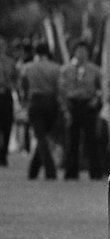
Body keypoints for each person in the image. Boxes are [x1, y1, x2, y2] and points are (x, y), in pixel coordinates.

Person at [59, 40, 102, 179]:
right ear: (74, 52)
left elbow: (101, 88)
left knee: (92, 140)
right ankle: (71, 172)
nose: (81, 54)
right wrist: (65, 107)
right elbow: (61, 90)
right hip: (73, 106)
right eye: (79, 51)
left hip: (88, 105)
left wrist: (96, 99)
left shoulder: (94, 70)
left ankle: (95, 172)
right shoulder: (66, 69)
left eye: (84, 51)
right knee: (72, 140)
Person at [21, 42, 61, 180]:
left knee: (41, 137)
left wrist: (24, 101)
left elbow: (23, 86)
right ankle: (36, 170)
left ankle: (47, 170)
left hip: (35, 101)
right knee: (43, 136)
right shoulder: (55, 68)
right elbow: (58, 87)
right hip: (50, 103)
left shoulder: (28, 67)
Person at [0, 36, 17, 167]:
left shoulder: (10, 62)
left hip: (6, 94)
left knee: (7, 124)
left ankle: (4, 154)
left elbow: (15, 79)